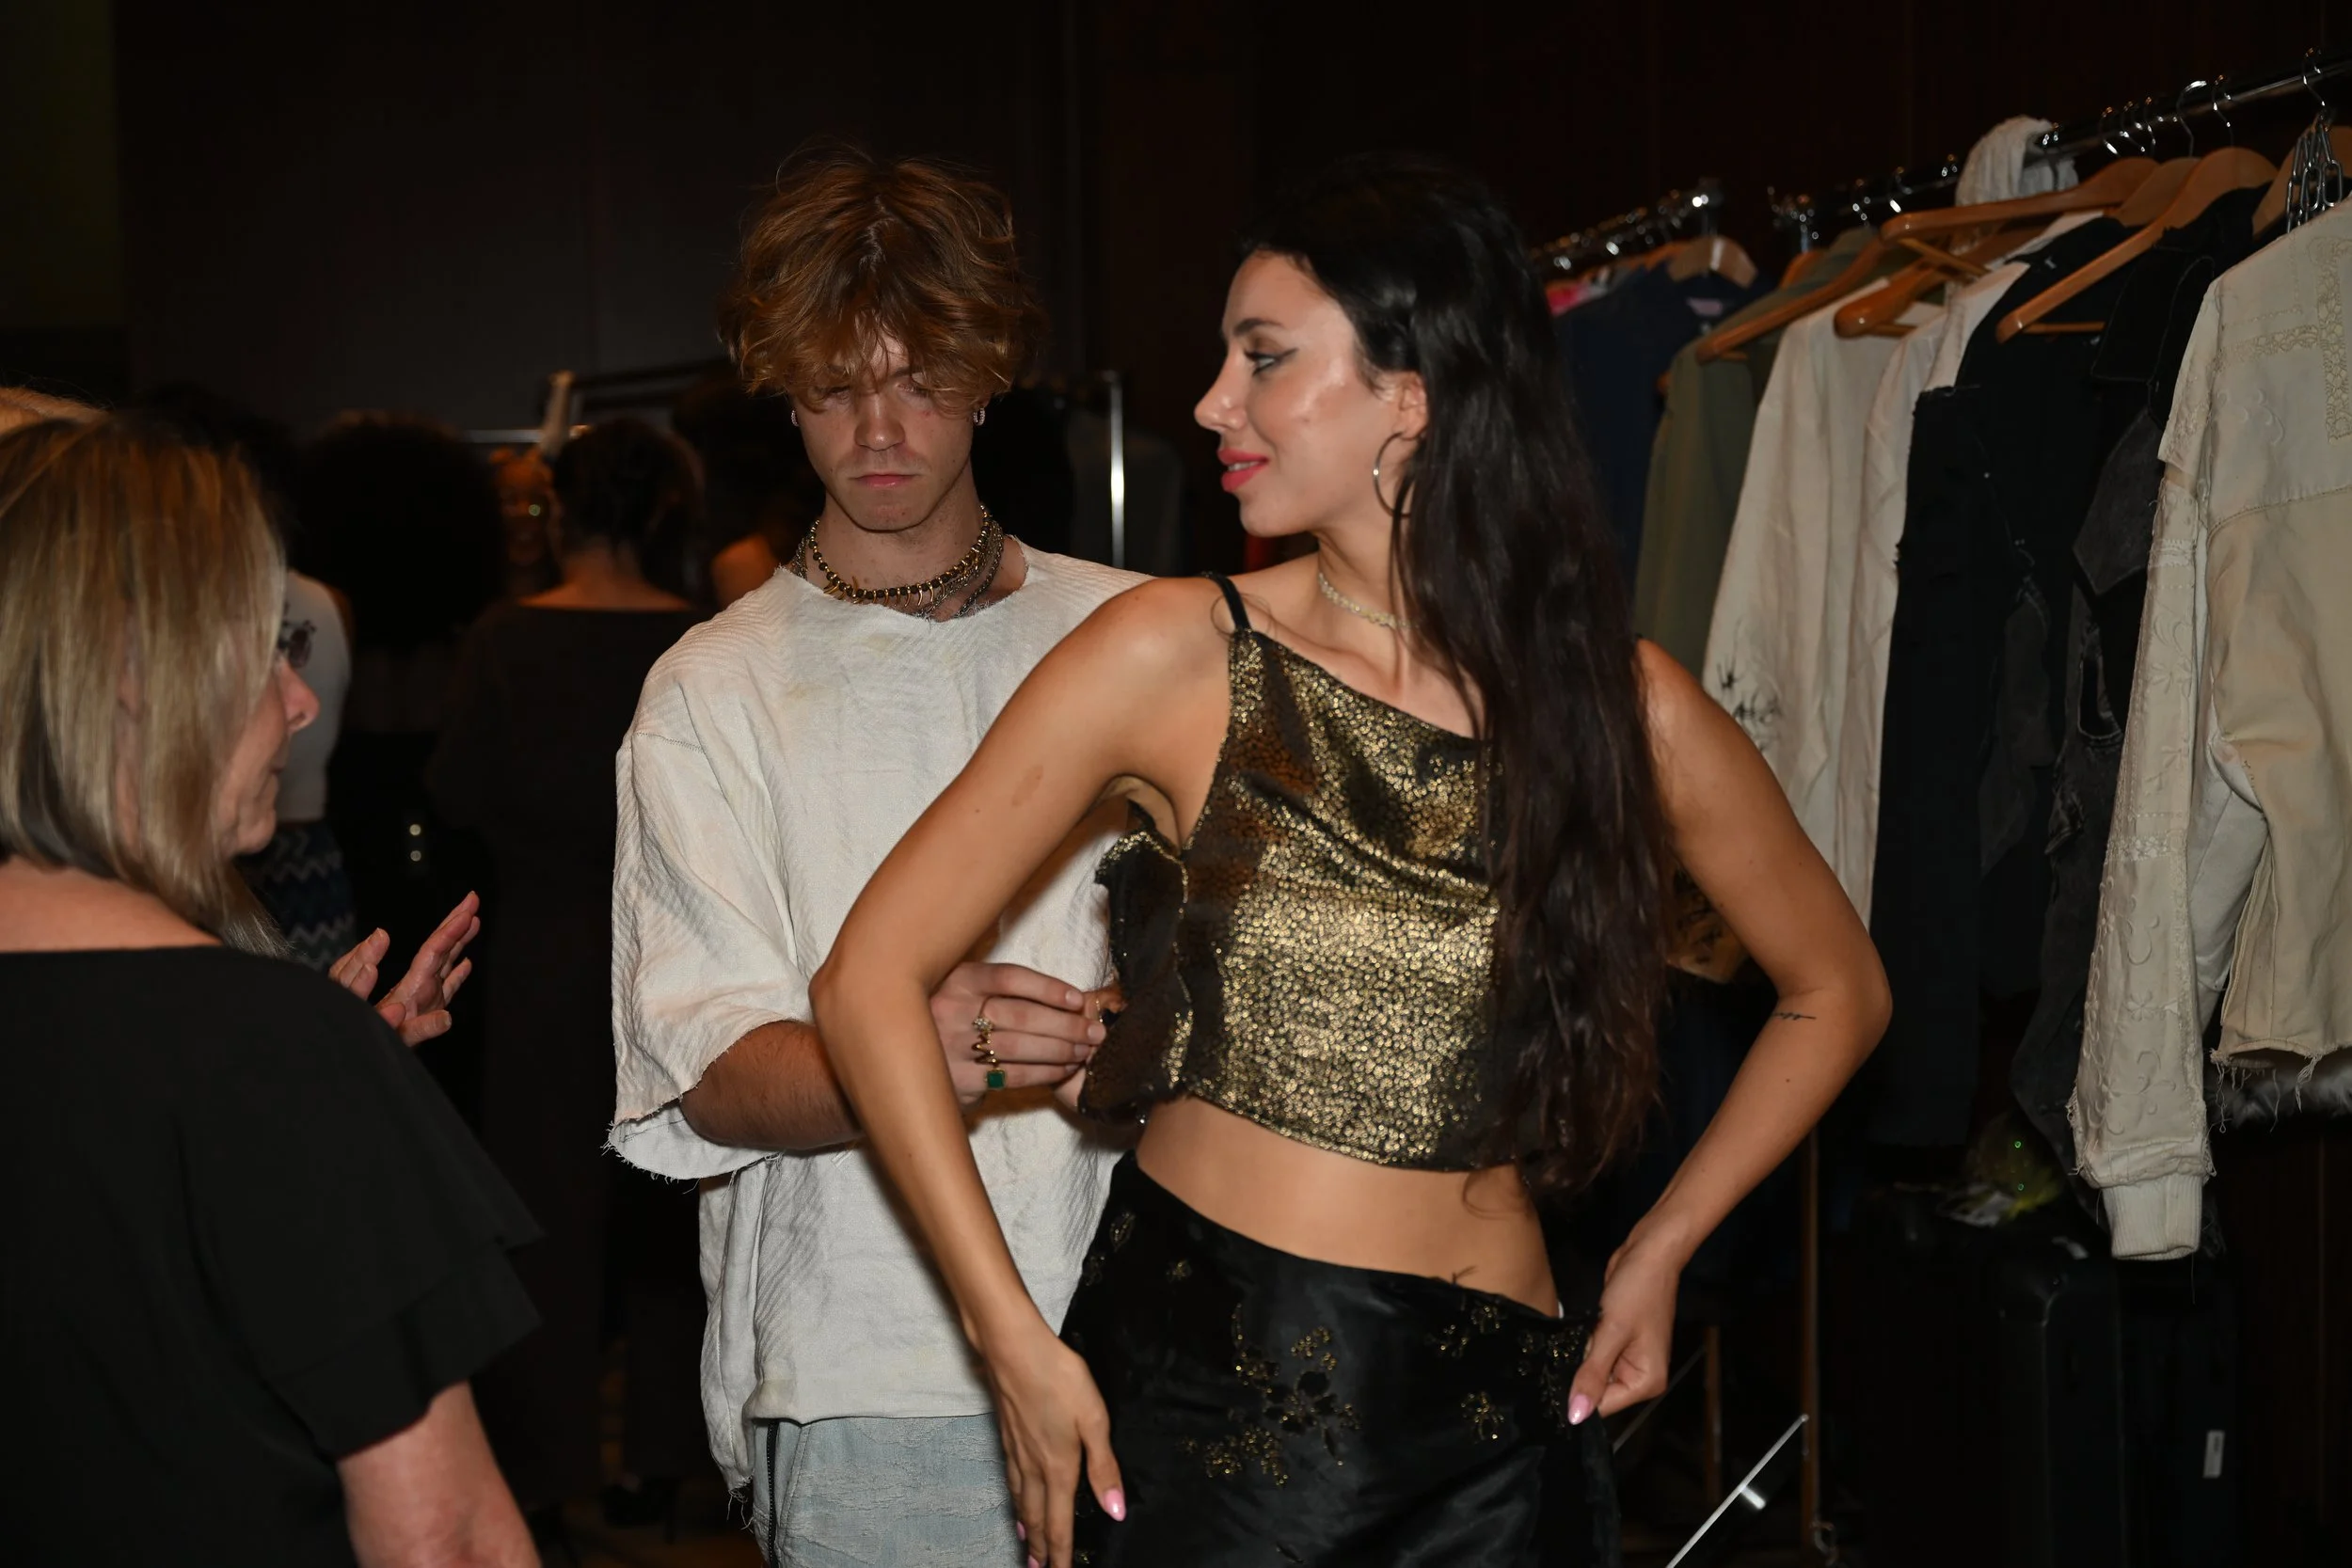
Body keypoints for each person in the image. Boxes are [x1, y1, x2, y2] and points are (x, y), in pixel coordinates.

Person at [811, 155, 1891, 1568]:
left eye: (1262, 358)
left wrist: (1663, 1242)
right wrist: (1007, 1335)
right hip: (1214, 1406)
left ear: (1415, 389)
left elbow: (1839, 988)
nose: (1213, 402)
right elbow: (866, 980)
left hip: (1506, 1433)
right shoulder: (1172, 655)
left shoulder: (1620, 705)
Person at [607, 143, 1139, 1564]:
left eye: (918, 378)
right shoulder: (713, 689)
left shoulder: (1139, 637)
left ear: (988, 374)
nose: (878, 428)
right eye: (837, 387)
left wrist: (1144, 1038)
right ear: (785, 392)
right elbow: (702, 1065)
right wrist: (908, 1047)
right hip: (874, 1376)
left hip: (1165, 1328)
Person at [0, 411, 540, 1568]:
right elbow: (441, 1537)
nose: (299, 703)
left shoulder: (270, 1057)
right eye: (263, 648)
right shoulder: (271, 1052)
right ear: (133, 675)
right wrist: (314, 1088)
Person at [427, 417, 707, 1538]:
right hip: (676, 957)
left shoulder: (505, 638)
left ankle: (550, 1479)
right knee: (679, 1212)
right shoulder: (704, 637)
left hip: (545, 954)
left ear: (567, 509)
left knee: (543, 1219)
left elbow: (455, 794)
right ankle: (671, 1458)